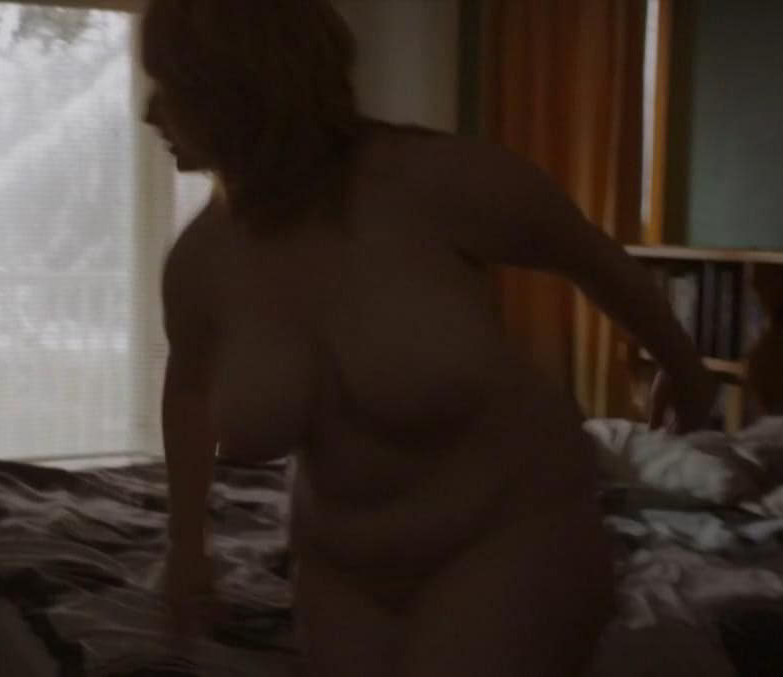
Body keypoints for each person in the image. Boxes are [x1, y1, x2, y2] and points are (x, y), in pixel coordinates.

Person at [140, 0, 719, 674]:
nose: (151, 113)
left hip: (509, 534)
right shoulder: (201, 263)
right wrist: (186, 549)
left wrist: (683, 367)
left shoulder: (439, 180)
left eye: (171, 85)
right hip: (341, 571)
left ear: (243, 88)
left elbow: (595, 260)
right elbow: (189, 389)